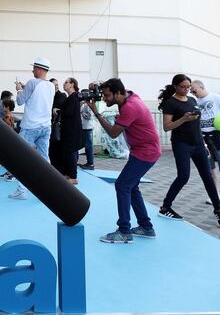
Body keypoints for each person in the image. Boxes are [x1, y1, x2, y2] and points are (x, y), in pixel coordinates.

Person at [87, 78, 161, 244]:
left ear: (118, 93)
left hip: (146, 153)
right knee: (131, 186)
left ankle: (124, 231)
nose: (104, 99)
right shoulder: (128, 95)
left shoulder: (130, 107)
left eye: (106, 95)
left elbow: (113, 133)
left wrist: (96, 113)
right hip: (143, 151)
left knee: (122, 185)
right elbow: (114, 87)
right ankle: (146, 227)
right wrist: (97, 87)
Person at [158, 74, 220, 229]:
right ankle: (165, 206)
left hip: (198, 144)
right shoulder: (170, 103)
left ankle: (218, 210)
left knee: (208, 177)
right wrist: (183, 119)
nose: (187, 89)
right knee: (183, 176)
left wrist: (203, 142)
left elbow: (197, 125)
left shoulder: (192, 100)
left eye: (188, 87)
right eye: (183, 87)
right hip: (181, 144)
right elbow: (167, 127)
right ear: (175, 86)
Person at [9, 57, 55, 200]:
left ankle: (22, 190)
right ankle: (51, 187)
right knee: (44, 158)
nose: (32, 70)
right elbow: (37, 96)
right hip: (46, 126)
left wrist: (18, 90)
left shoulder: (31, 83)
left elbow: (20, 101)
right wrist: (25, 88)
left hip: (30, 127)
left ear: (40, 69)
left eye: (34, 68)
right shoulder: (51, 85)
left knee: (21, 157)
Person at [190, 80, 220, 209]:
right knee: (210, 169)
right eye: (191, 91)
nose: (193, 92)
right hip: (202, 138)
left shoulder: (216, 97)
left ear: (202, 87)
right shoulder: (194, 101)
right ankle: (215, 194)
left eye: (194, 90)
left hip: (218, 136)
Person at [52, 77, 82, 184]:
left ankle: (73, 177)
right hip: (68, 130)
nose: (64, 84)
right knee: (67, 153)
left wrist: (58, 111)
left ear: (72, 84)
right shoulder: (72, 97)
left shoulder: (74, 97)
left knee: (71, 153)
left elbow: (68, 112)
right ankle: (68, 174)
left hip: (71, 131)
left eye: (66, 82)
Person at [0, 98, 17, 181]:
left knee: (10, 158)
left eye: (4, 106)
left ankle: (13, 174)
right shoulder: (11, 116)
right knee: (8, 158)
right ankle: (9, 172)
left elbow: (7, 128)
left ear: (7, 107)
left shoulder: (7, 117)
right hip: (10, 139)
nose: (3, 108)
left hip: (9, 139)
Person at [79, 99, 95, 170]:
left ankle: (90, 163)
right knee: (86, 145)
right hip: (84, 127)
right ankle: (89, 163)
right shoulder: (84, 105)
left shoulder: (88, 105)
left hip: (87, 127)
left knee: (88, 146)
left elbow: (89, 116)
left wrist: (81, 112)